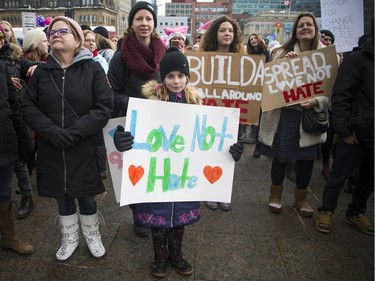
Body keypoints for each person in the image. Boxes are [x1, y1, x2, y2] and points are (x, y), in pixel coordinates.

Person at [113, 47, 244, 278]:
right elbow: (132, 133)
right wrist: (121, 139)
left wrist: (230, 150)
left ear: (187, 78)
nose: (176, 81)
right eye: (171, 76)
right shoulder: (147, 104)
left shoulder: (197, 106)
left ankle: (176, 254)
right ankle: (160, 257)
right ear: (162, 78)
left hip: (185, 176)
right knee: (159, 217)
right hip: (158, 175)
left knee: (178, 218)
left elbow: (207, 139)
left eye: (181, 76)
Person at [20, 16, 113, 261]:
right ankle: (69, 237)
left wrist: (74, 132)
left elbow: (104, 106)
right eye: (52, 32)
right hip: (52, 148)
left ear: (77, 39)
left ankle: (92, 234)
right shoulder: (42, 72)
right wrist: (51, 132)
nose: (56, 35)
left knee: (86, 195)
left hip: (83, 146)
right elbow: (27, 105)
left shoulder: (92, 68)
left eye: (63, 31)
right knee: (62, 196)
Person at [258, 12, 329, 217]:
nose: (305, 27)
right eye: (301, 25)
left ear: (315, 29)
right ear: (295, 31)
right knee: (281, 156)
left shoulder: (326, 57)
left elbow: (331, 90)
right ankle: (275, 196)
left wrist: (317, 101)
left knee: (306, 160)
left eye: (309, 24)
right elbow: (270, 83)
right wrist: (285, 63)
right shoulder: (281, 52)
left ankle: (301, 199)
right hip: (285, 115)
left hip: (309, 116)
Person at [108, 1, 166, 237]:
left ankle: (155, 208)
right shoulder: (120, 58)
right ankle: (138, 212)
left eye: (148, 19)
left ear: (154, 24)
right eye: (139, 18)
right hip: (130, 121)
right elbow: (110, 95)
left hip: (160, 121)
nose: (144, 23)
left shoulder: (164, 52)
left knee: (155, 168)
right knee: (135, 170)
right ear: (131, 24)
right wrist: (137, 106)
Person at [315, 29, 374, 235]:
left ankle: (357, 212)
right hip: (355, 133)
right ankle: (327, 210)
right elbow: (340, 97)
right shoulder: (358, 60)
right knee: (339, 175)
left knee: (368, 179)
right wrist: (345, 130)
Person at [199, 15, 244, 211]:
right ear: (215, 34)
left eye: (231, 31)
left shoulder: (243, 60)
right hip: (210, 113)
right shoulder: (204, 58)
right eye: (223, 30)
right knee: (210, 152)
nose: (227, 34)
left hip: (231, 114)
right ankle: (209, 191)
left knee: (228, 153)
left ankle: (223, 192)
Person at [0, 26, 37, 219]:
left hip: (13, 118)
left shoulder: (15, 57)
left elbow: (35, 66)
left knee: (19, 163)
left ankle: (27, 197)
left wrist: (33, 67)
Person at [0, 60, 33, 255]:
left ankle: (9, 237)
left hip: (4, 140)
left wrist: (23, 139)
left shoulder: (2, 67)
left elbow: (13, 104)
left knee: (4, 192)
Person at [83, 29, 109, 180]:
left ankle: (100, 168)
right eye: (88, 40)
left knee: (98, 138)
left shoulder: (100, 60)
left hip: (96, 104)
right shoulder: (73, 61)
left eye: (93, 40)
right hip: (81, 106)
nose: (92, 43)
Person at [245, 33, 270, 157]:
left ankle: (258, 147)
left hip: (262, 88)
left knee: (260, 118)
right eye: (251, 39)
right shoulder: (248, 54)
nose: (253, 40)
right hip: (251, 88)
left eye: (255, 38)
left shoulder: (266, 53)